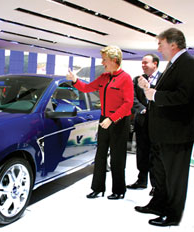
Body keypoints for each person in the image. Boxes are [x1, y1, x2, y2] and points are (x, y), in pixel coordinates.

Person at [136, 28, 194, 227]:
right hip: (163, 132)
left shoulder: (188, 63)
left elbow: (185, 97)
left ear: (173, 43)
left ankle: (172, 215)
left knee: (175, 178)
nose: (158, 48)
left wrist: (155, 96)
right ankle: (158, 205)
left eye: (160, 44)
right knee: (160, 173)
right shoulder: (174, 64)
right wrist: (149, 91)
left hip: (177, 134)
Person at [66, 45, 134, 200]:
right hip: (104, 120)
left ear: (114, 60)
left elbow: (128, 104)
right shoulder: (103, 77)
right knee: (100, 155)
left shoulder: (126, 78)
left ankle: (119, 190)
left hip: (119, 121)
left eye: (105, 60)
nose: (102, 63)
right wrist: (75, 80)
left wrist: (112, 119)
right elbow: (87, 88)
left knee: (117, 158)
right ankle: (97, 188)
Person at [127, 54, 161, 196]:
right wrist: (141, 108)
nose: (143, 65)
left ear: (155, 64)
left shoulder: (163, 79)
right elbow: (132, 97)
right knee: (141, 152)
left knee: (155, 154)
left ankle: (156, 185)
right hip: (141, 120)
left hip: (158, 123)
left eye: (146, 63)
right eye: (142, 63)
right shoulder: (137, 79)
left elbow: (161, 95)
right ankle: (141, 181)